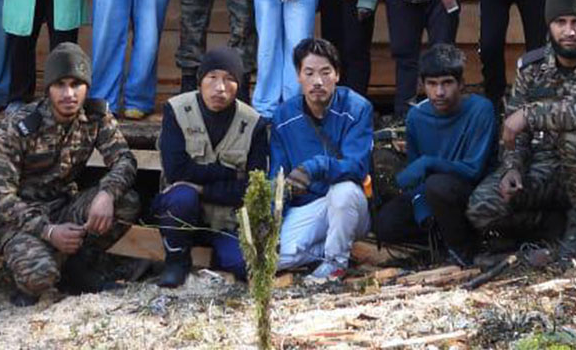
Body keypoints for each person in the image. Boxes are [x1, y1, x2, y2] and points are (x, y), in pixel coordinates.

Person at [466, 0, 576, 258]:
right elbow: (515, 132)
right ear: (549, 25)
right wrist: (512, 167)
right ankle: (555, 226)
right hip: (547, 168)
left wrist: (531, 114)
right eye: (560, 22)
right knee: (482, 208)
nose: (569, 31)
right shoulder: (532, 67)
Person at [0, 44, 140, 304]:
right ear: (48, 88)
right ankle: (21, 269)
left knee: (126, 201)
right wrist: (48, 232)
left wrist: (107, 193)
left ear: (87, 87)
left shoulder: (96, 116)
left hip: (64, 207)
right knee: (40, 277)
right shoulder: (19, 125)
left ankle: (78, 266)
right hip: (20, 220)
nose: (69, 94)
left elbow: (125, 159)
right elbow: (1, 196)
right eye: (60, 85)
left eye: (76, 84)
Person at [152, 46, 270, 288]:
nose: (220, 87)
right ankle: (176, 261)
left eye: (229, 79)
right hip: (184, 212)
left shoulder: (254, 124)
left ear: (239, 85)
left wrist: (203, 189)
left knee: (241, 265)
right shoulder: (177, 110)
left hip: (228, 221)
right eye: (212, 77)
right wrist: (229, 174)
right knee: (182, 196)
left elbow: (250, 188)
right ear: (200, 81)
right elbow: (176, 171)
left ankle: (218, 261)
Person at [373, 44, 496, 265]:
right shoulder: (416, 117)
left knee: (438, 186)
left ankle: (463, 251)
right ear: (422, 85)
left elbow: (474, 169)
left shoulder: (481, 110)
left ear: (461, 84)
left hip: (472, 191)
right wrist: (421, 205)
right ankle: (438, 241)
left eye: (447, 83)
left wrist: (429, 163)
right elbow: (416, 176)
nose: (439, 92)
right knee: (386, 224)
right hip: (432, 193)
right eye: (432, 84)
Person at [270, 38, 373, 285]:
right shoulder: (284, 116)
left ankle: (335, 264)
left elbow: (357, 166)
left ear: (337, 75)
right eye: (309, 73)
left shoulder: (357, 108)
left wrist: (315, 167)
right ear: (298, 76)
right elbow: (277, 175)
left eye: (326, 72)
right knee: (275, 259)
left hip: (349, 207)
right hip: (309, 207)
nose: (317, 81)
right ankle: (325, 250)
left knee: (343, 192)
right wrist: (273, 214)